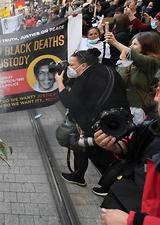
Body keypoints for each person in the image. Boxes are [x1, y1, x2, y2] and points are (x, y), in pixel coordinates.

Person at [55, 48, 130, 196]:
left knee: (101, 153)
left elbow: (69, 101)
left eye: (71, 65)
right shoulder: (106, 70)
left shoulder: (86, 77)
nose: (68, 68)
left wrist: (59, 82)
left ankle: (112, 187)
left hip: (102, 124)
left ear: (83, 66)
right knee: (81, 145)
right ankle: (78, 175)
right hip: (116, 120)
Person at [97, 80, 160, 225]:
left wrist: (131, 221)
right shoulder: (150, 127)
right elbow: (134, 153)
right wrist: (116, 147)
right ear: (157, 93)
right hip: (125, 202)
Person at [105, 31, 160, 122]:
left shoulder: (153, 62)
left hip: (143, 110)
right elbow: (118, 81)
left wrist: (114, 42)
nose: (130, 47)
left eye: (135, 44)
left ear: (147, 46)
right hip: (124, 108)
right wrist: (124, 62)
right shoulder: (130, 62)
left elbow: (134, 56)